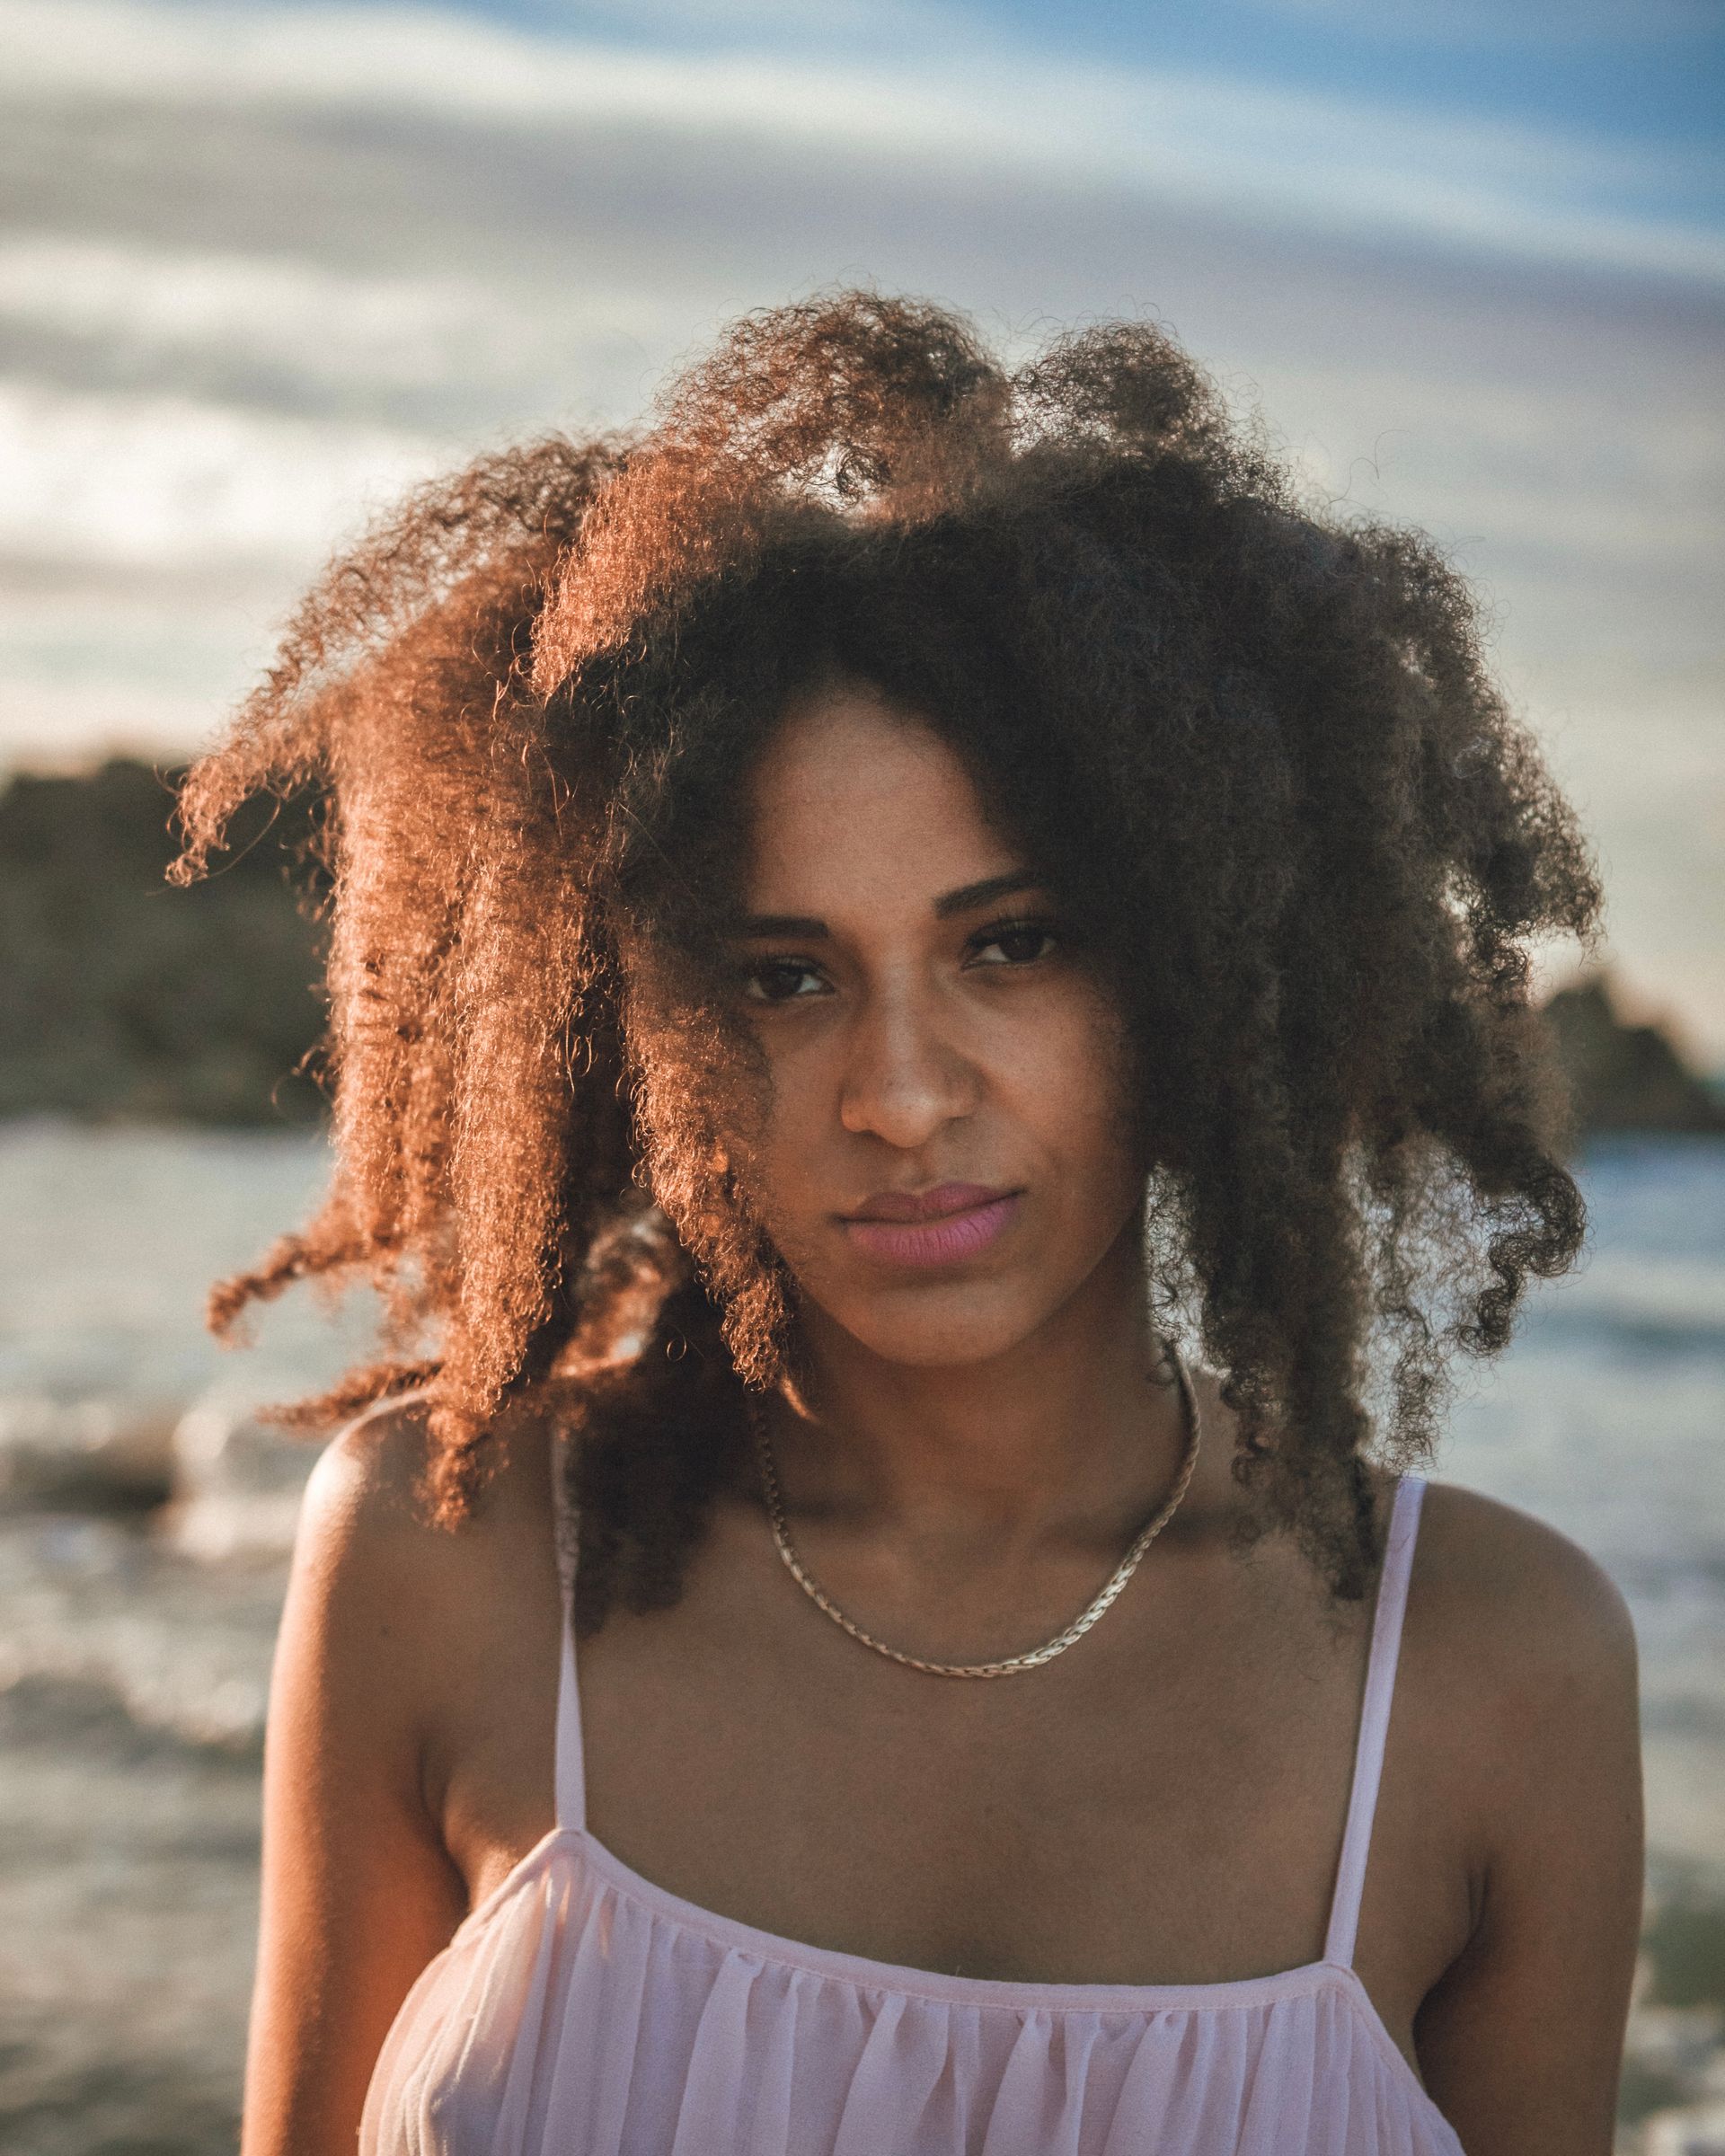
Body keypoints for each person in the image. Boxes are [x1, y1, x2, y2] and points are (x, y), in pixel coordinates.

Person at [175, 292, 1643, 2155]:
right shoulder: (445, 1560)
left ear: (1207, 977)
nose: (900, 1093)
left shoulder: (1492, 1674)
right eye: (781, 977)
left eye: (1009, 946)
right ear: (631, 1029)